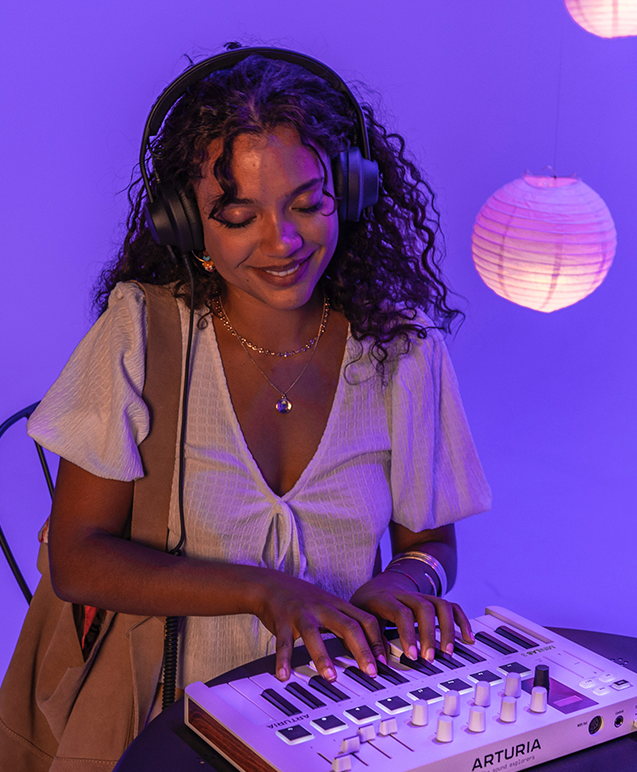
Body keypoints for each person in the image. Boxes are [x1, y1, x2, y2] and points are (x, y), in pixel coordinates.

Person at [28, 49, 491, 697]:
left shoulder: (402, 347)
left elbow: (432, 542)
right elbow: (77, 559)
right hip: (165, 717)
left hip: (339, 709)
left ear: (349, 194)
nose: (283, 243)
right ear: (186, 224)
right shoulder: (141, 333)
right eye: (240, 217)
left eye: (308, 204)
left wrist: (404, 581)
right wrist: (264, 591)